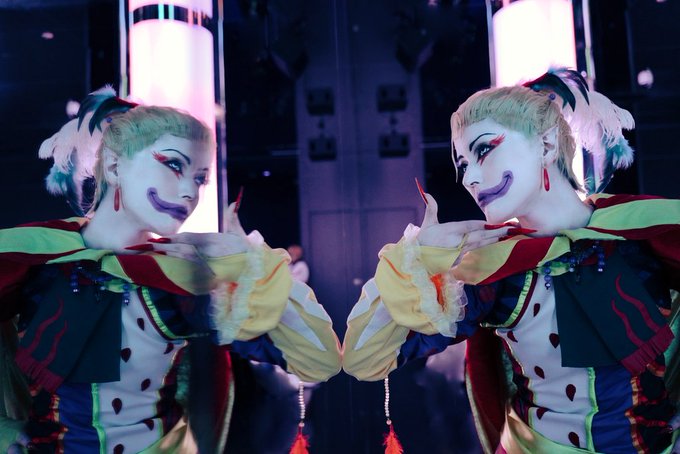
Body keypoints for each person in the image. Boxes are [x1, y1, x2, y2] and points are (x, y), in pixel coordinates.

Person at [343, 69, 680, 453]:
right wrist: (414, 259)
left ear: (546, 144)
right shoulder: (491, 269)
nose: (469, 178)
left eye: (484, 150)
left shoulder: (642, 233)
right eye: (462, 165)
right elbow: (364, 359)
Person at [0, 88, 341, 453]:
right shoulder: (35, 258)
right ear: (114, 165)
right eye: (174, 165)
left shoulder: (183, 278)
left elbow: (319, 359)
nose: (190, 192)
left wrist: (253, 261)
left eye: (200, 178)